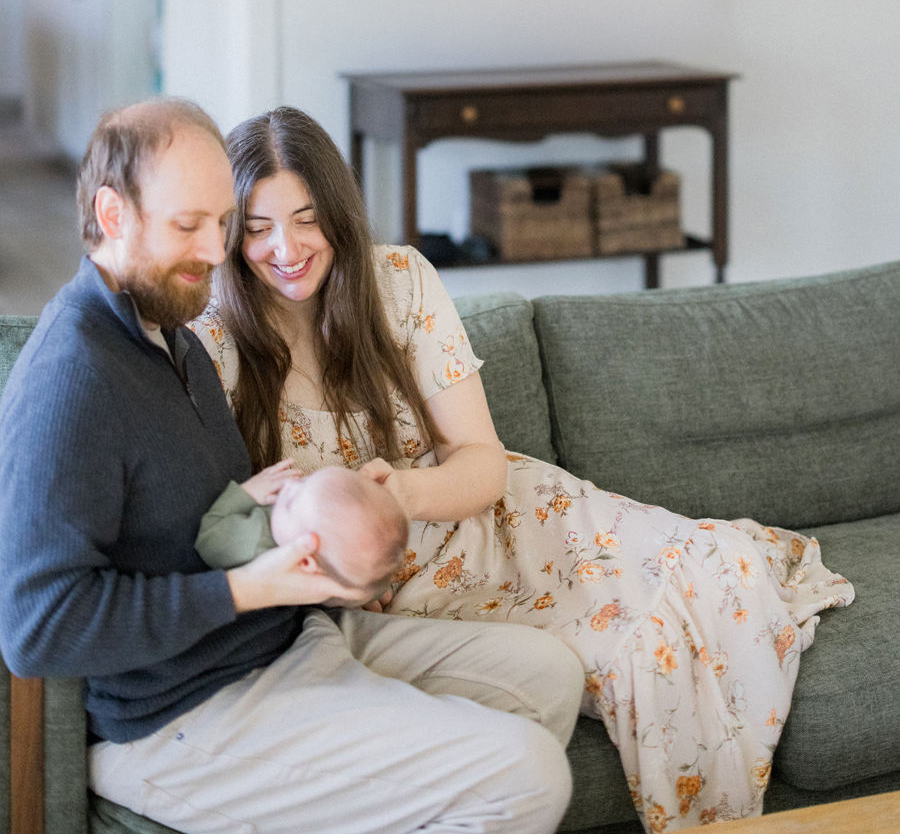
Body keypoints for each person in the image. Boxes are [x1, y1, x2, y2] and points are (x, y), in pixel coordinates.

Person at [192, 105, 856, 833]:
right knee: (649, 649)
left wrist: (404, 490)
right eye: (257, 228)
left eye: (307, 219)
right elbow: (223, 530)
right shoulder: (212, 338)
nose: (285, 248)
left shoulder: (400, 282)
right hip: (407, 586)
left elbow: (482, 461)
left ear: (341, 216)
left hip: (510, 517)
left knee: (721, 571)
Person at [0, 97, 585, 834]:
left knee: (550, 676)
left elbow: (172, 521)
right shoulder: (71, 378)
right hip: (181, 714)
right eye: (190, 227)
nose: (216, 254)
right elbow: (38, 627)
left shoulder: (169, 335)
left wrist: (249, 503)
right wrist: (246, 589)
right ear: (112, 216)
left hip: (287, 640)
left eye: (221, 226)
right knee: (525, 774)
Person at [196, 461, 409, 601]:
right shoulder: (337, 574)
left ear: (305, 561)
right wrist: (372, 593)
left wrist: (247, 493)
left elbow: (206, 538)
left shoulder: (249, 541)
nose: (290, 485)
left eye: (290, 503)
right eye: (306, 481)